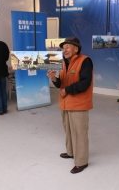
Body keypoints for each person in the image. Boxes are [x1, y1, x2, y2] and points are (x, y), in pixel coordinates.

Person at [47, 37, 93, 174]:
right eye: (63, 47)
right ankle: (71, 152)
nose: (64, 50)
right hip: (65, 103)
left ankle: (81, 161)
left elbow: (84, 83)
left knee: (80, 133)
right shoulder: (63, 63)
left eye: (68, 47)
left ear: (76, 49)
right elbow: (61, 84)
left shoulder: (85, 61)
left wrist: (66, 90)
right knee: (68, 131)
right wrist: (54, 79)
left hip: (79, 104)